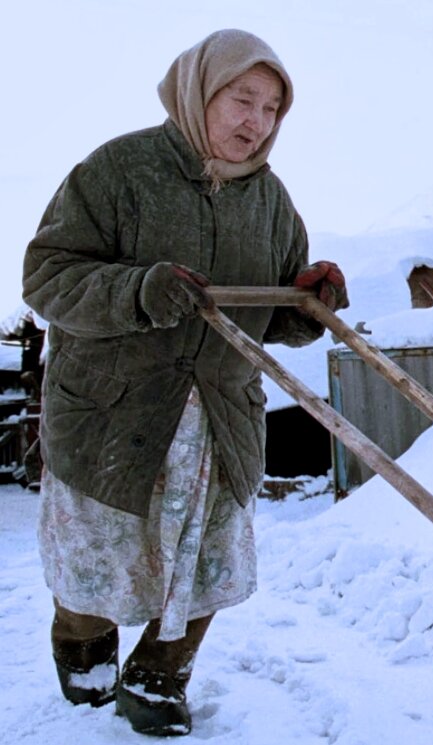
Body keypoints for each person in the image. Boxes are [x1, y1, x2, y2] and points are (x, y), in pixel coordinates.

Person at [22, 29, 347, 737]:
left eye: (271, 108)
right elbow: (47, 277)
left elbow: (266, 318)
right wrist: (138, 290)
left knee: (208, 559)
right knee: (98, 558)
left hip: (218, 422)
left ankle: (160, 677)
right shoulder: (117, 171)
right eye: (241, 99)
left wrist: (306, 302)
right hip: (114, 415)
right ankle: (83, 642)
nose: (255, 121)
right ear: (199, 92)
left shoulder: (270, 201)